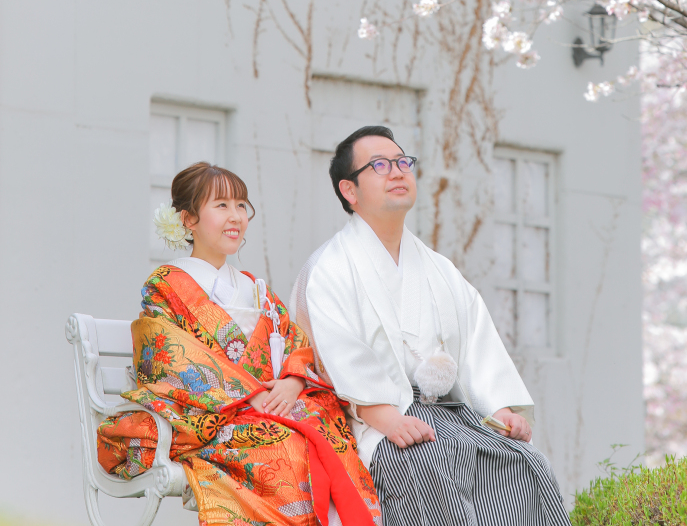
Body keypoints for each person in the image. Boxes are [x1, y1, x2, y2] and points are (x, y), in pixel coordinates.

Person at [292, 126, 572, 526]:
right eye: (380, 165)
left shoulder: (440, 269)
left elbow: (477, 342)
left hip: (454, 415)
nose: (398, 171)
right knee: (428, 466)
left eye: (403, 162)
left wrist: (500, 408)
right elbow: (339, 355)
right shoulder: (329, 269)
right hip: (374, 421)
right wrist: (389, 419)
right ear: (349, 191)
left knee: (525, 463)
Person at [97, 161, 380, 526]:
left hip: (273, 408)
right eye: (221, 206)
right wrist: (248, 396)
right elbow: (170, 358)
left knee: (332, 438)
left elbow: (295, 340)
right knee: (287, 449)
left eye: (241, 205)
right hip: (212, 415)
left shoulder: (254, 286)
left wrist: (293, 380)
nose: (236, 216)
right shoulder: (166, 285)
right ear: (187, 220)